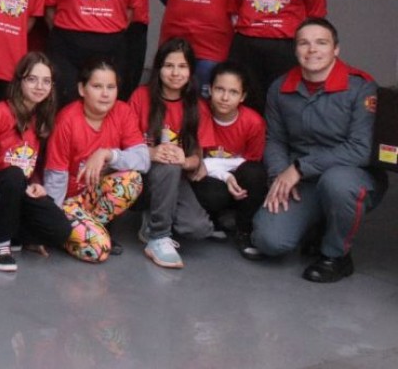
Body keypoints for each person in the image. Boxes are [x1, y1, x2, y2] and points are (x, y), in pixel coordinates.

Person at [252, 18, 386, 283]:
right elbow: (275, 139)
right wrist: (280, 175)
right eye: (304, 43)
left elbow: (360, 149)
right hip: (302, 179)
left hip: (351, 176)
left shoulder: (361, 87)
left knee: (337, 183)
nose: (312, 49)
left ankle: (335, 255)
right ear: (296, 50)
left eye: (321, 43)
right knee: (269, 241)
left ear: (336, 49)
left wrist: (300, 168)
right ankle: (316, 224)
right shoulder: (281, 88)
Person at [44, 57, 147, 263]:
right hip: (67, 202)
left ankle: (94, 228)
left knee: (132, 181)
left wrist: (108, 154)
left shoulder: (123, 112)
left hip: (93, 198)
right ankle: (78, 233)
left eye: (111, 87)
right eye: (97, 86)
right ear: (82, 89)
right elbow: (55, 178)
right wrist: (54, 225)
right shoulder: (67, 120)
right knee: (99, 251)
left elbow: (143, 160)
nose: (105, 93)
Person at [127, 38, 214, 269]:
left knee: (198, 228)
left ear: (191, 71)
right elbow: (125, 147)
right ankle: (158, 237)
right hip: (140, 176)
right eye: (168, 66)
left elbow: (197, 158)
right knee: (166, 160)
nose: (175, 73)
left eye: (182, 66)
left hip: (174, 177)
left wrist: (184, 160)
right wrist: (152, 152)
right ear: (158, 69)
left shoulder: (197, 106)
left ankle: (154, 214)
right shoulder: (140, 97)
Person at [0, 52, 72, 272]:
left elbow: (32, 163)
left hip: (21, 189)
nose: (39, 86)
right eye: (32, 79)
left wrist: (36, 183)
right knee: (13, 175)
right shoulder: (0, 113)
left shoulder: (42, 117)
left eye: (46, 81)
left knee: (61, 230)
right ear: (19, 81)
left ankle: (17, 234)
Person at [191, 61, 266, 260]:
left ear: (243, 96)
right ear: (210, 90)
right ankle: (214, 220)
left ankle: (244, 230)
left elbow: (251, 162)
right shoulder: (200, 111)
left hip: (238, 177)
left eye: (233, 92)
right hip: (212, 180)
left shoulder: (253, 122)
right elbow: (197, 164)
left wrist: (213, 166)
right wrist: (223, 175)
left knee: (255, 174)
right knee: (207, 190)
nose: (225, 98)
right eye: (219, 89)